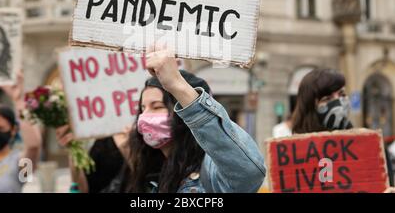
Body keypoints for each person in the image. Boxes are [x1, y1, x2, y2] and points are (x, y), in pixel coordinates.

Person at [124, 46, 265, 193]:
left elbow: (248, 173)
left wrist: (177, 85)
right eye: (142, 108)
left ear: (182, 111)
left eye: (157, 107)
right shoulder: (150, 171)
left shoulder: (210, 173)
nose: (144, 116)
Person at [291, 68, 394, 190]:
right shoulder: (295, 154)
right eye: (327, 99)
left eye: (342, 94)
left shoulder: (372, 145)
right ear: (310, 108)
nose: (338, 102)